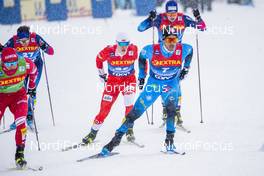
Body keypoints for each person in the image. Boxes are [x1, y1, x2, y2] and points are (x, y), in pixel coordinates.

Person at [98, 27, 193, 156]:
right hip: (153, 85)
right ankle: (114, 141)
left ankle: (169, 143)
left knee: (171, 111)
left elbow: (191, 50)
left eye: (175, 39)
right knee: (135, 113)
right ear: (163, 40)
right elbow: (142, 57)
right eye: (169, 39)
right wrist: (142, 76)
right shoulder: (151, 50)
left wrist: (186, 68)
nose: (172, 43)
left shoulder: (183, 49)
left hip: (171, 85)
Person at [137, 0, 206, 127]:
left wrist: (198, 17)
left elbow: (202, 28)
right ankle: (165, 110)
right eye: (169, 13)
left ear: (177, 11)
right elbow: (140, 28)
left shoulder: (183, 18)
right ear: (166, 12)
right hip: (160, 53)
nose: (172, 16)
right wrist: (149, 18)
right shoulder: (160, 19)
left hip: (176, 54)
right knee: (161, 83)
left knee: (175, 85)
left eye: (174, 13)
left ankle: (176, 112)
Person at [82, 33, 138, 145]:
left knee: (129, 105)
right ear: (116, 43)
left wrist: (142, 75)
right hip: (113, 83)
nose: (124, 47)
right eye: (121, 44)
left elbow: (142, 60)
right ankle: (93, 132)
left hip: (129, 81)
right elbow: (98, 59)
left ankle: (129, 129)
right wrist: (101, 74)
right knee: (104, 110)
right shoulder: (109, 51)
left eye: (126, 44)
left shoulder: (134, 49)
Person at [4, 25, 54, 130]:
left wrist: (45, 47)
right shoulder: (13, 40)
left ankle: (29, 115)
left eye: (26, 40)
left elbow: (51, 51)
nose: (24, 43)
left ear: (29, 36)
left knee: (32, 89)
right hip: (22, 68)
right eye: (21, 41)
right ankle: (20, 117)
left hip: (36, 66)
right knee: (21, 91)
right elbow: (3, 53)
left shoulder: (35, 38)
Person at [0, 47, 38, 168]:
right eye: (8, 64)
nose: (12, 66)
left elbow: (34, 71)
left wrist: (32, 87)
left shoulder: (24, 64)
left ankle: (19, 154)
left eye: (14, 63)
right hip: (1, 97)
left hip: (18, 95)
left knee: (21, 122)